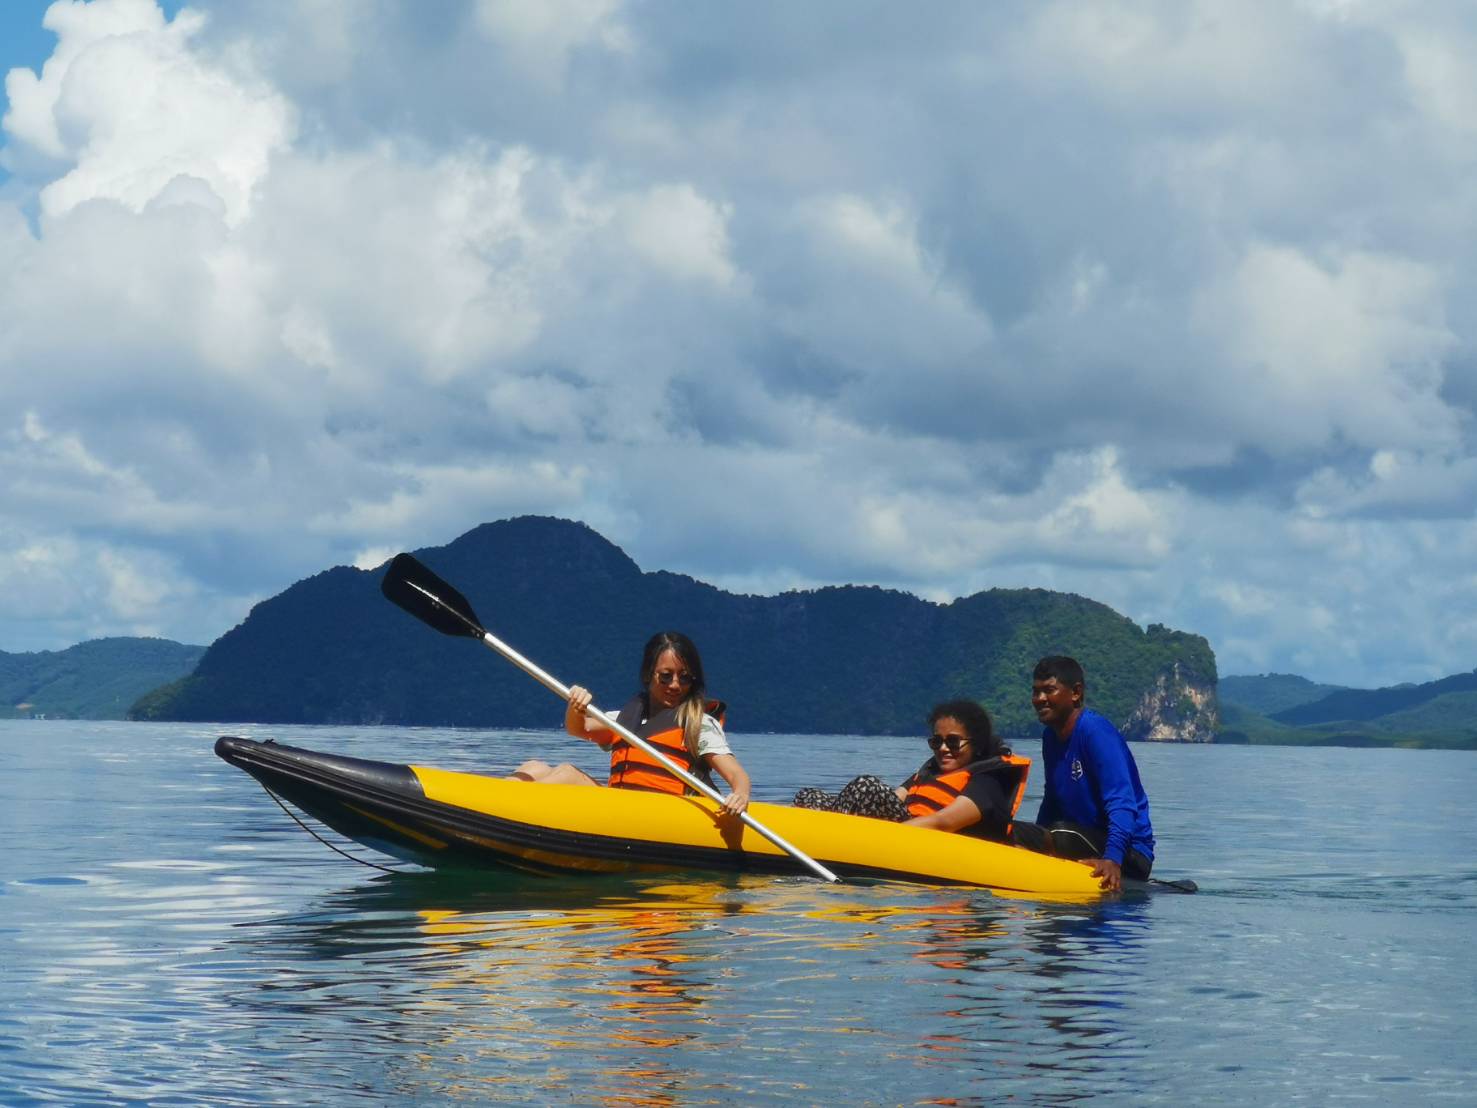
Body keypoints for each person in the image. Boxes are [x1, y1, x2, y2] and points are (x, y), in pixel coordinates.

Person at [511, 631, 751, 816]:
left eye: (685, 677)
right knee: (534, 767)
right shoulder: (625, 718)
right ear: (649, 675)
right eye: (666, 676)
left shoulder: (699, 724)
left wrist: (740, 795)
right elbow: (579, 728)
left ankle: (511, 812)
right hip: (624, 811)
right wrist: (576, 706)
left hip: (666, 818)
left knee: (568, 774)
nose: (675, 685)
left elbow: (736, 775)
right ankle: (487, 805)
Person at [1009, 655, 1155, 892]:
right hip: (1078, 836)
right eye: (1035, 692)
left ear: (1075, 692)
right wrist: (1036, 838)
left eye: (1049, 690)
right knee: (1010, 829)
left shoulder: (1095, 732)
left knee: (1059, 832)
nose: (1039, 699)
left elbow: (1122, 803)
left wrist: (1113, 859)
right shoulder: (1050, 737)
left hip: (1129, 852)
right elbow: (1052, 800)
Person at [792, 700, 1029, 841]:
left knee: (865, 786)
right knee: (808, 796)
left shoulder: (987, 780)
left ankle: (833, 843)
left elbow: (943, 821)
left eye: (953, 742)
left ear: (976, 743)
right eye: (937, 742)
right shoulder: (929, 771)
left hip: (927, 840)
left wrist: (880, 837)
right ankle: (814, 839)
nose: (944, 749)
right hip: (903, 830)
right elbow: (894, 799)